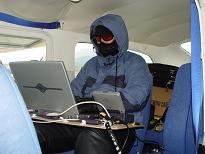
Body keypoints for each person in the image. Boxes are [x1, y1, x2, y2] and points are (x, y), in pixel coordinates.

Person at [35, 14, 152, 154]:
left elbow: (136, 97)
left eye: (107, 38)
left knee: (91, 136)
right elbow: (72, 92)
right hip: (83, 122)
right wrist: (69, 103)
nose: (101, 42)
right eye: (97, 39)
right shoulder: (91, 65)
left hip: (119, 126)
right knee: (36, 129)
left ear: (119, 38)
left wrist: (94, 104)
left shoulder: (135, 62)